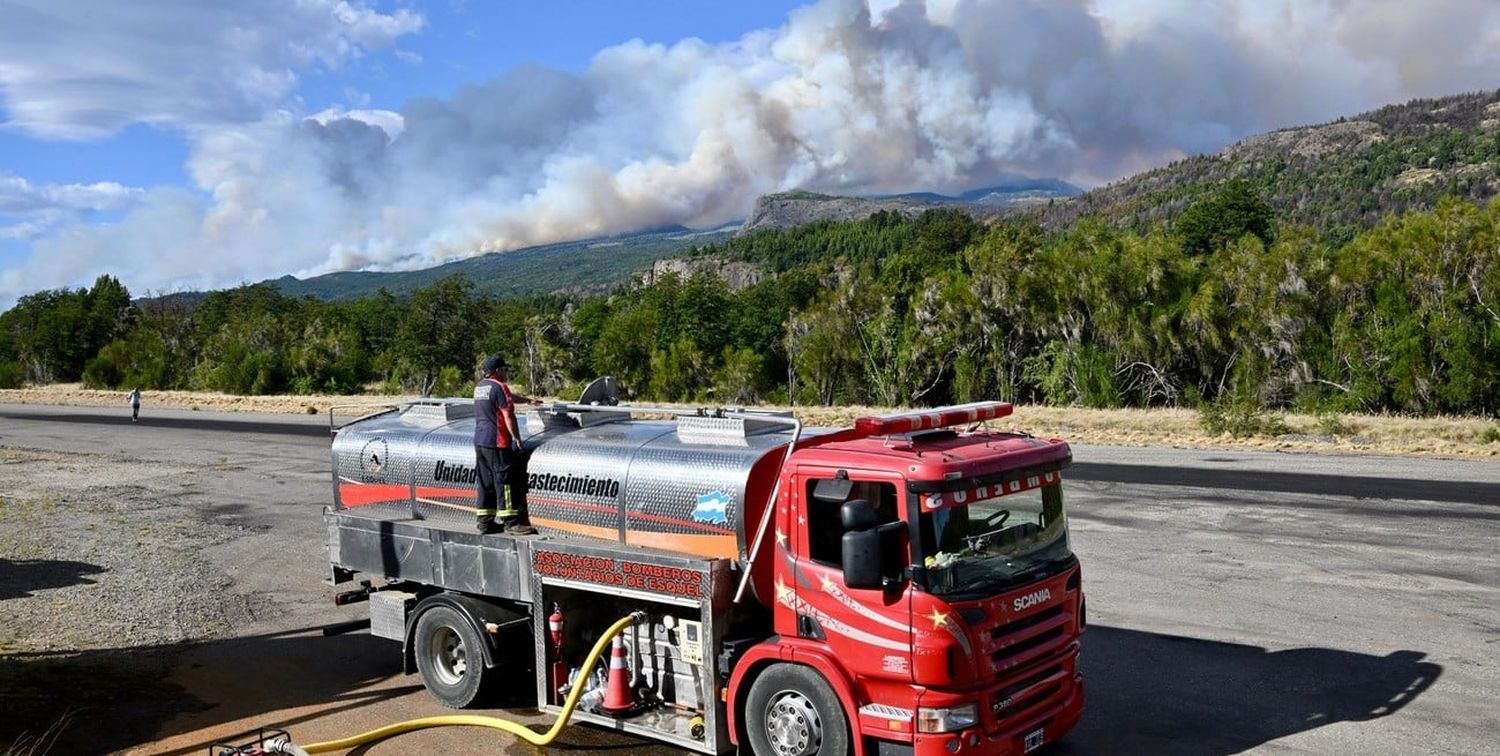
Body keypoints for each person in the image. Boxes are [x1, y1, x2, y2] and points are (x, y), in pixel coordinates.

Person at [473, 355, 541, 536]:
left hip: (480, 441)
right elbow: (507, 415)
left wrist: (527, 400)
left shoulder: (480, 387)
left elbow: (506, 398)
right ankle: (511, 522)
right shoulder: (500, 387)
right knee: (504, 481)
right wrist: (517, 438)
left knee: (485, 482)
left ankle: (485, 522)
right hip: (497, 441)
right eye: (504, 369)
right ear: (497, 371)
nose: (506, 373)